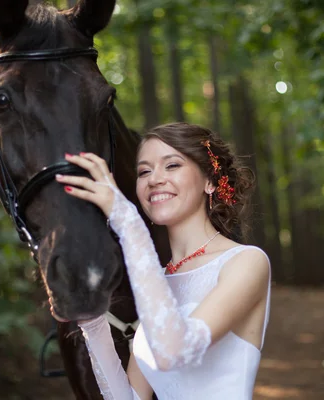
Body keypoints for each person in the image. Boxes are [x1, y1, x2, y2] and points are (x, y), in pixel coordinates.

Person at [54, 122, 271, 400]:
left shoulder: (246, 262)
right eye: (144, 171)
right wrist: (92, 322)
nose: (154, 179)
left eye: (172, 165)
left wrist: (129, 222)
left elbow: (175, 352)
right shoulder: (157, 282)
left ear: (210, 180)